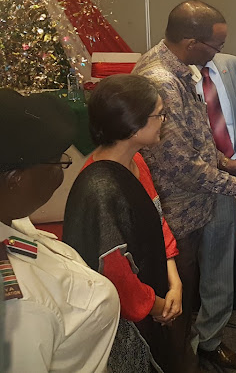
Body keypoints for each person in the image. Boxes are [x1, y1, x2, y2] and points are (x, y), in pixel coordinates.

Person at [133, 0, 236, 372]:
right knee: (180, 290)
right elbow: (179, 164)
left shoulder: (179, 66)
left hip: (210, 190)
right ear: (191, 42)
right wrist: (233, 185)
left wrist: (225, 163)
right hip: (182, 209)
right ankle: (182, 357)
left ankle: (210, 343)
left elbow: (196, 134)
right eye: (215, 47)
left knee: (218, 270)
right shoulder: (160, 81)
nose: (219, 54)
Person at [64, 74, 182, 373]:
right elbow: (116, 278)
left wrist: (174, 280)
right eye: (158, 114)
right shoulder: (100, 189)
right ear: (132, 125)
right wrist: (160, 308)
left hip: (153, 293)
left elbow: (158, 220)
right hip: (127, 316)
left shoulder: (136, 161)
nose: (163, 120)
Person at [0, 89, 119, 372]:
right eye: (57, 161)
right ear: (16, 179)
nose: (61, 172)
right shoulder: (20, 306)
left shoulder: (14, 223)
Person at [192, 51, 236, 372]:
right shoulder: (169, 75)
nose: (216, 48)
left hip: (230, 177)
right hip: (183, 190)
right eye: (211, 41)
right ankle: (176, 342)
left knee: (219, 261)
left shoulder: (231, 65)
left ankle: (210, 341)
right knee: (182, 268)